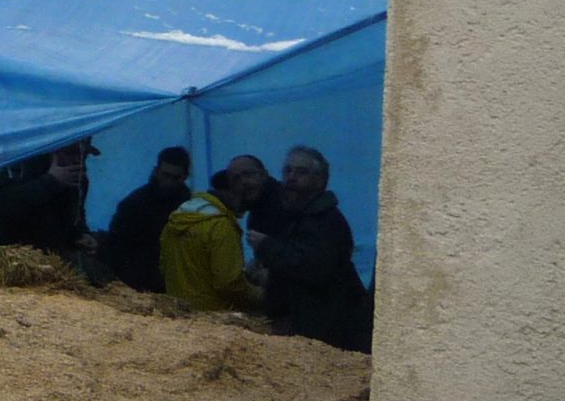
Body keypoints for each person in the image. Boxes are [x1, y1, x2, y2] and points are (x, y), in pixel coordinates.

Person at [250, 145, 370, 352]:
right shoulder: (298, 216)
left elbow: (312, 267)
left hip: (329, 335)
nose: (291, 178)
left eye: (301, 172)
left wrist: (267, 246)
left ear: (320, 180)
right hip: (310, 331)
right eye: (287, 171)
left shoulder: (325, 220)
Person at [0, 141, 102, 267]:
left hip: (47, 261)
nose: (78, 160)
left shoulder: (79, 181)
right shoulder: (20, 168)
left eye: (83, 155)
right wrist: (51, 181)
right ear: (52, 152)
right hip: (4, 255)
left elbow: (75, 217)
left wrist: (82, 236)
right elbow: (1, 206)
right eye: (70, 153)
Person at [160, 167, 259, 311]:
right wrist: (261, 295)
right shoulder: (220, 226)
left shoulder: (177, 218)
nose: (246, 201)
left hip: (178, 313)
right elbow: (228, 283)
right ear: (229, 193)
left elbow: (164, 267)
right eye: (242, 194)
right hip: (212, 316)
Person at [99, 146, 190, 291]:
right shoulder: (134, 204)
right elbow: (116, 247)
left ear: (185, 177)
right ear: (156, 171)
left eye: (175, 178)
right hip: (140, 281)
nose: (169, 182)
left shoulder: (189, 205)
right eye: (165, 175)